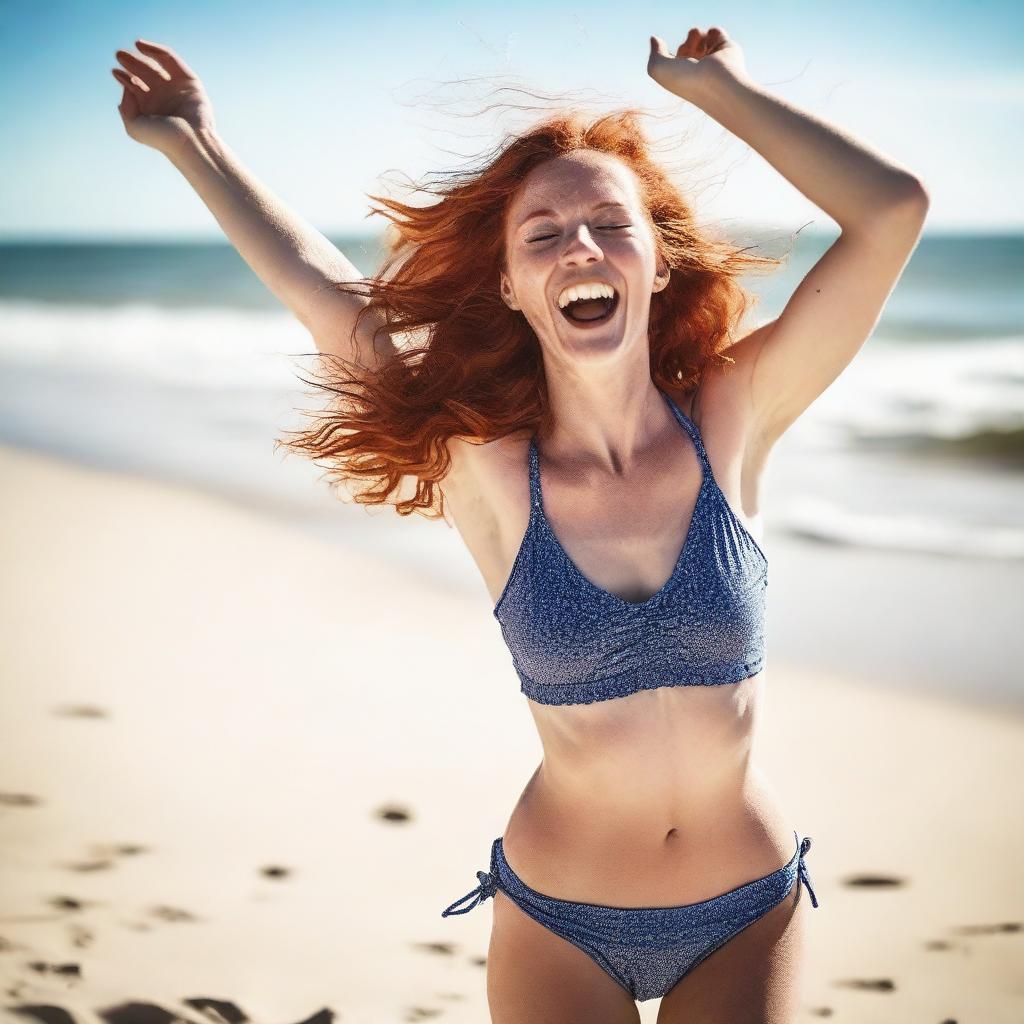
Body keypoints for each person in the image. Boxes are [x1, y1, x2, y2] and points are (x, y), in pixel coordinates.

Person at [112, 25, 929, 1022]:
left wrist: (719, 91)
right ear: (508, 285)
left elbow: (891, 212)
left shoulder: (733, 417)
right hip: (560, 922)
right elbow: (323, 293)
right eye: (542, 235)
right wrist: (194, 141)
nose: (578, 245)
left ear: (657, 262)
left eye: (608, 225)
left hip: (745, 908)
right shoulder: (489, 469)